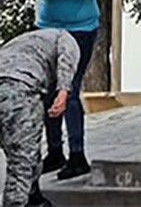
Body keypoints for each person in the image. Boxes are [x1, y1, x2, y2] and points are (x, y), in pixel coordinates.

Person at [38, 0, 122, 181]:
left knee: (70, 90)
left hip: (80, 29)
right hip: (47, 26)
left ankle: (77, 156)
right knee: (48, 92)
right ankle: (55, 151)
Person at [0, 29, 80, 207]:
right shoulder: (67, 38)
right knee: (21, 163)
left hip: (8, 83)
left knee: (25, 152)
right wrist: (63, 92)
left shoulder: (25, 40)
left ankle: (34, 197)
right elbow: (67, 59)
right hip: (21, 89)